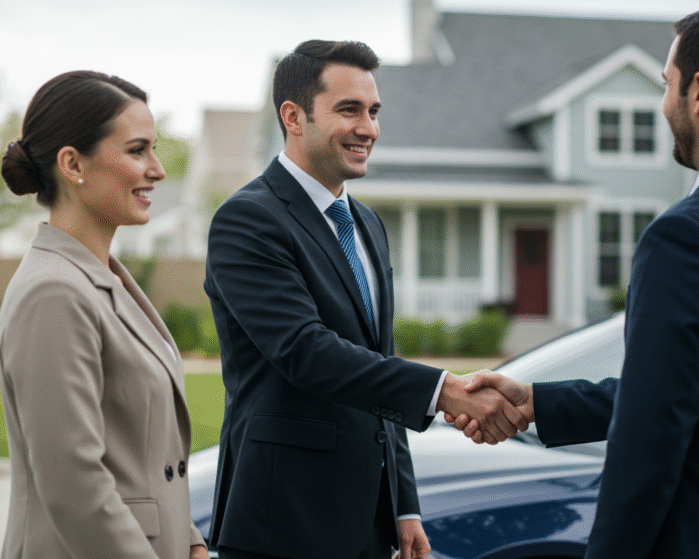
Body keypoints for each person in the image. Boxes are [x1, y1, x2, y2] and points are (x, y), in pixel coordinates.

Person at [451, 4, 699, 558]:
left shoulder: (687, 236)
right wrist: (540, 402)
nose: (664, 103)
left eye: (667, 84)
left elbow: (650, 442)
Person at [203, 40, 526, 559]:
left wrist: (404, 505)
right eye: (348, 110)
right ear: (293, 116)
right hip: (283, 523)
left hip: (369, 525)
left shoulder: (368, 225)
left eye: (373, 112)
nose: (368, 128)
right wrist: (446, 392)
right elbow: (306, 352)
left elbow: (379, 363)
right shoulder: (249, 220)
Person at [0, 71, 207, 559]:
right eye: (137, 150)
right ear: (72, 164)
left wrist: (191, 541)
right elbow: (74, 486)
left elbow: (146, 462)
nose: (157, 169)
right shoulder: (53, 294)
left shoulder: (102, 277)